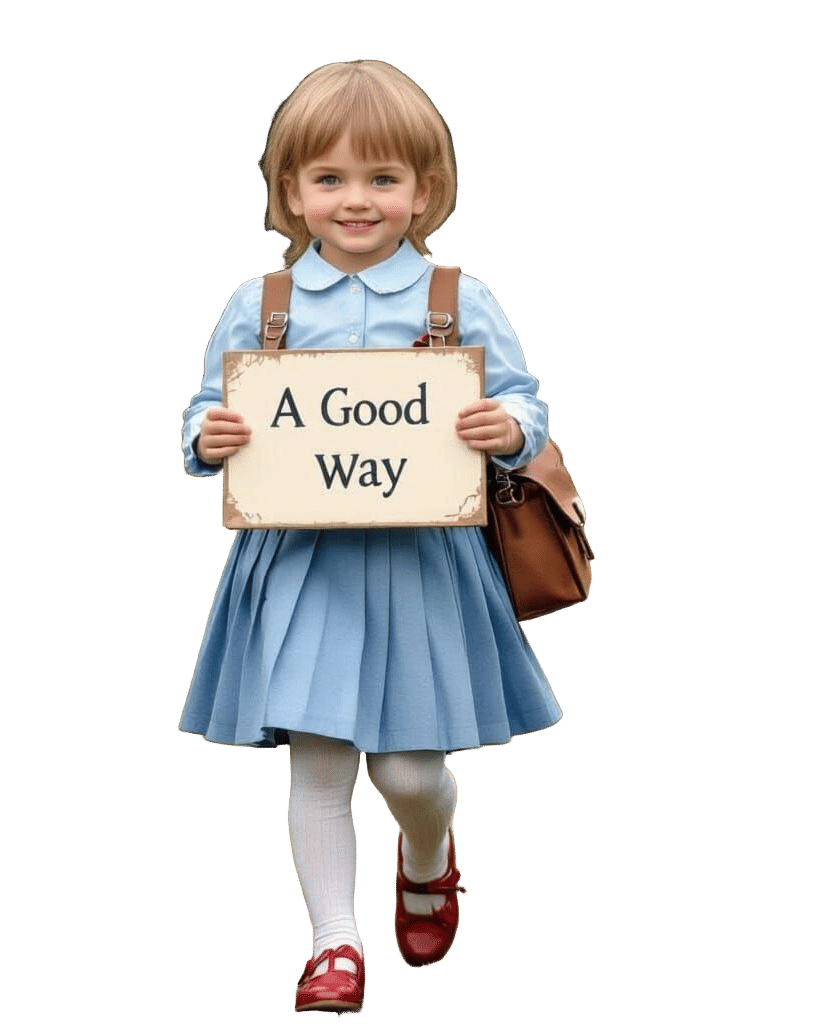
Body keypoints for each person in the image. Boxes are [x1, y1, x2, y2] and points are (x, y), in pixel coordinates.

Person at [179, 59, 563, 1015]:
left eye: (384, 178)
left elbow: (523, 403)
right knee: (319, 760)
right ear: (291, 192)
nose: (357, 200)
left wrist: (506, 430)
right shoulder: (258, 307)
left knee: (406, 770)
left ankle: (426, 852)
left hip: (423, 562)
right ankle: (333, 946)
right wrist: (209, 437)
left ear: (424, 190)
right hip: (303, 561)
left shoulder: (455, 300)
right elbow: (204, 412)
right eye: (330, 179)